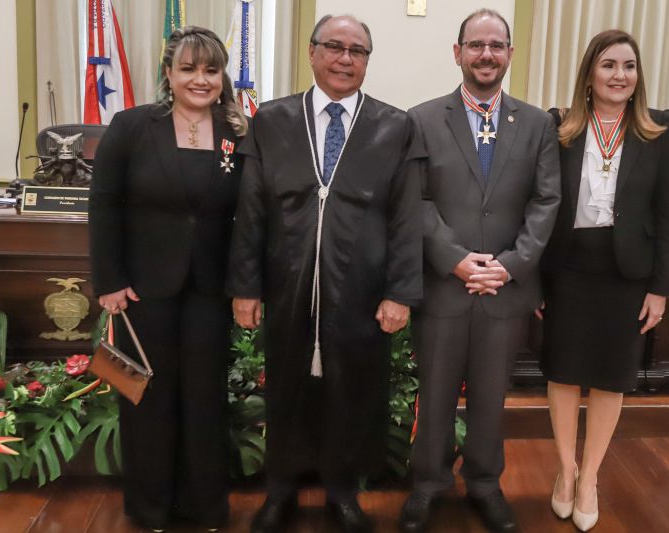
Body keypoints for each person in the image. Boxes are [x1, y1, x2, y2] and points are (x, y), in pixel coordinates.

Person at [227, 14, 423, 533]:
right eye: (334, 47)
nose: (345, 59)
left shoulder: (393, 126)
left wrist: (400, 291)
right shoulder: (272, 120)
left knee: (352, 389)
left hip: (362, 286)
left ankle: (342, 491)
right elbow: (250, 210)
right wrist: (244, 286)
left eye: (357, 51)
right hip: (286, 282)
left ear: (366, 62)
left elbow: (407, 217)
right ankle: (281, 490)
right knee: (287, 386)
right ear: (312, 53)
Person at [399, 9, 561, 533]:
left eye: (496, 45)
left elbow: (546, 202)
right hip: (445, 283)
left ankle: (486, 484)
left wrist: (510, 267)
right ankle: (428, 485)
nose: (486, 54)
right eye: (476, 45)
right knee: (437, 390)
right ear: (458, 52)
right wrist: (456, 258)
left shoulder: (538, 124)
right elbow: (415, 201)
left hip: (506, 290)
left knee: (492, 396)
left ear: (510, 54)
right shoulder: (421, 119)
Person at [89, 26, 248, 531]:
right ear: (168, 73)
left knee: (204, 400)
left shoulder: (239, 132)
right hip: (142, 289)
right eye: (188, 68)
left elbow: (250, 215)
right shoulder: (132, 126)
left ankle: (204, 507)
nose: (200, 79)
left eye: (211, 69)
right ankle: (150, 507)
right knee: (148, 399)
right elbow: (104, 205)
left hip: (209, 290)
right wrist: (109, 280)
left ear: (223, 76)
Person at [539, 30, 669, 531]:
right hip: (569, 268)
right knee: (563, 372)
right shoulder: (559, 127)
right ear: (589, 74)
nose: (620, 75)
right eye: (609, 65)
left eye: (629, 66)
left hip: (627, 275)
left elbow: (666, 215)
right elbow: (540, 207)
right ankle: (565, 469)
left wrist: (661, 288)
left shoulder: (660, 128)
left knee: (611, 377)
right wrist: (534, 280)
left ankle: (591, 475)